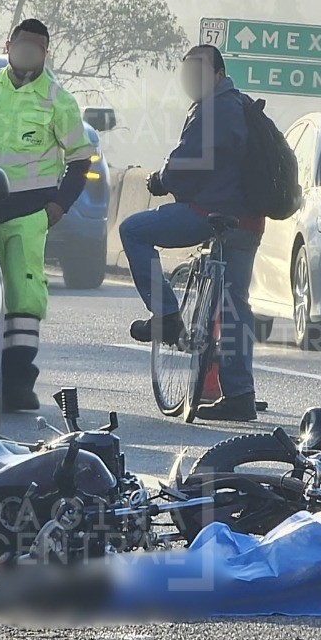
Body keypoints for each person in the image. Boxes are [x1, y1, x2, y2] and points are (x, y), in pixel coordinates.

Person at [0, 18, 96, 411]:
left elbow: (83, 160)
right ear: (8, 45)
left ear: (46, 53)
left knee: (23, 299)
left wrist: (59, 205)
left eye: (37, 47)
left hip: (30, 212)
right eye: (22, 44)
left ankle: (17, 384)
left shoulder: (57, 99)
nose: (28, 52)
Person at [118, 44, 264, 422]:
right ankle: (240, 395)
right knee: (235, 306)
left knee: (133, 231)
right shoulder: (242, 106)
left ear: (217, 74)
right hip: (248, 220)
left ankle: (166, 314)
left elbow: (188, 164)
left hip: (209, 213)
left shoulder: (213, 110)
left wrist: (159, 181)